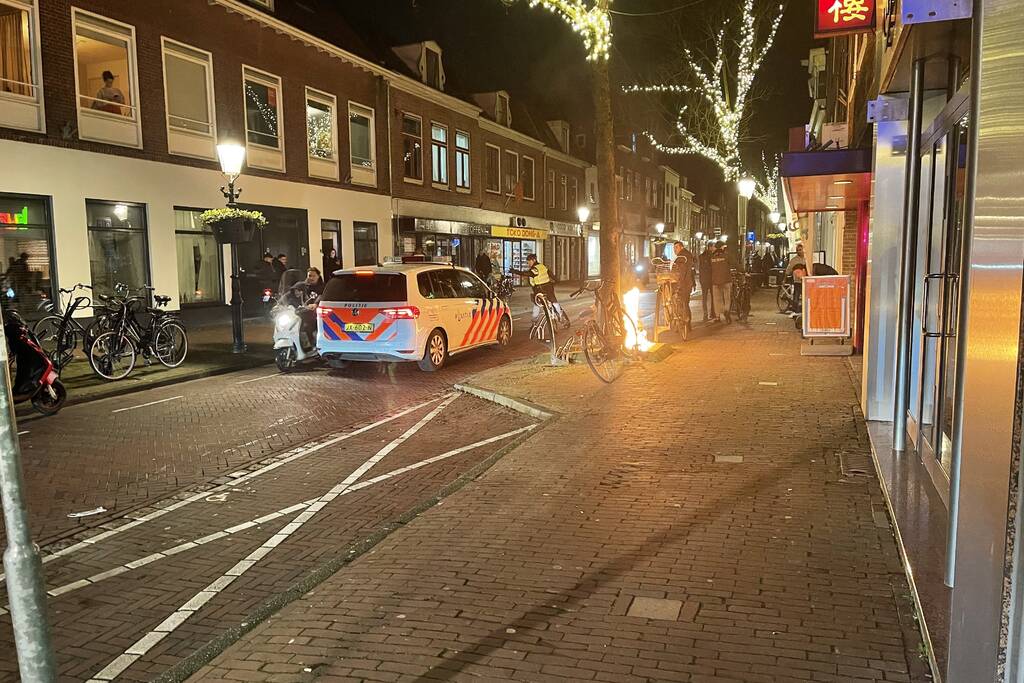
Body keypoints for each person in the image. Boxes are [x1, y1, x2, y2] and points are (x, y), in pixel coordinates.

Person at [510, 253, 566, 337]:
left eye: (529, 262)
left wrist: (514, 271)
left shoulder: (534, 269)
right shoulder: (543, 266)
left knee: (536, 305)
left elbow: (526, 274)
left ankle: (534, 323)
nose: (528, 263)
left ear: (533, 260)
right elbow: (551, 275)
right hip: (549, 288)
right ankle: (560, 316)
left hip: (540, 290)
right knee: (554, 301)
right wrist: (556, 282)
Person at [671, 241, 696, 333]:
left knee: (683, 303)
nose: (674, 250)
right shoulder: (687, 255)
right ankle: (686, 324)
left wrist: (678, 282)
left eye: (676, 248)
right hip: (687, 283)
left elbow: (682, 271)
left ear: (681, 247)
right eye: (674, 248)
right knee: (685, 303)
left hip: (684, 283)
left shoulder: (682, 257)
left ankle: (684, 323)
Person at [710, 242, 733, 324]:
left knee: (717, 300)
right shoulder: (726, 256)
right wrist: (743, 271)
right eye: (724, 247)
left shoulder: (712, 257)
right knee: (727, 298)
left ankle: (717, 315)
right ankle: (726, 311)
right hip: (726, 280)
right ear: (721, 247)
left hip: (715, 281)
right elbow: (735, 264)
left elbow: (709, 269)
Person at [699, 242, 715, 321]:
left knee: (704, 298)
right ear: (710, 247)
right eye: (713, 247)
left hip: (704, 280)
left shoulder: (701, 256)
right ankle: (713, 313)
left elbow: (700, 268)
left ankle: (705, 315)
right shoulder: (713, 256)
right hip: (711, 279)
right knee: (713, 297)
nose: (714, 248)